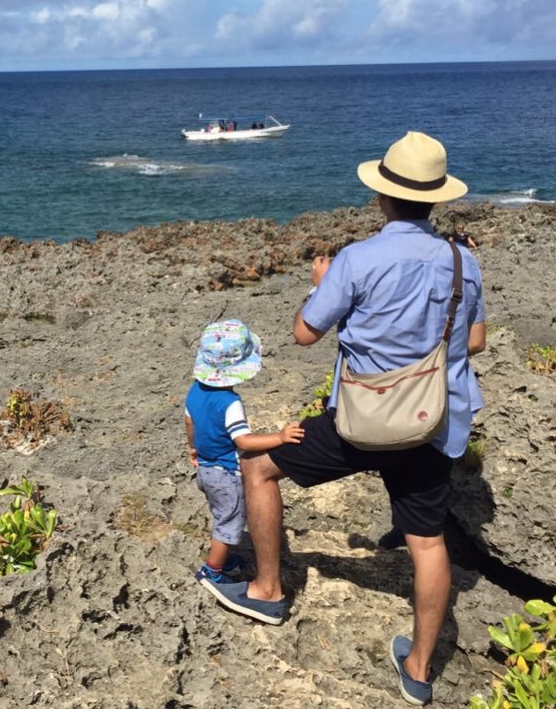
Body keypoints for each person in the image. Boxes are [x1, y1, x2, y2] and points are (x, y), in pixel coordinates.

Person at [200, 132, 486, 707]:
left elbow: (304, 333)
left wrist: (324, 285)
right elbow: (473, 342)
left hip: (362, 421)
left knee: (257, 466)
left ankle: (267, 589)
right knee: (427, 543)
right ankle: (420, 668)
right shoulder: (463, 261)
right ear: (435, 200)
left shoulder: (358, 259)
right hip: (430, 423)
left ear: (382, 198)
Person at [185, 319, 305, 587]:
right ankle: (212, 571)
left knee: (220, 514)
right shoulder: (230, 403)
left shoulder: (194, 391)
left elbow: (190, 422)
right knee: (229, 525)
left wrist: (193, 447)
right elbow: (244, 441)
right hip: (226, 473)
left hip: (205, 469)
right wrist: (280, 437)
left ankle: (224, 559)